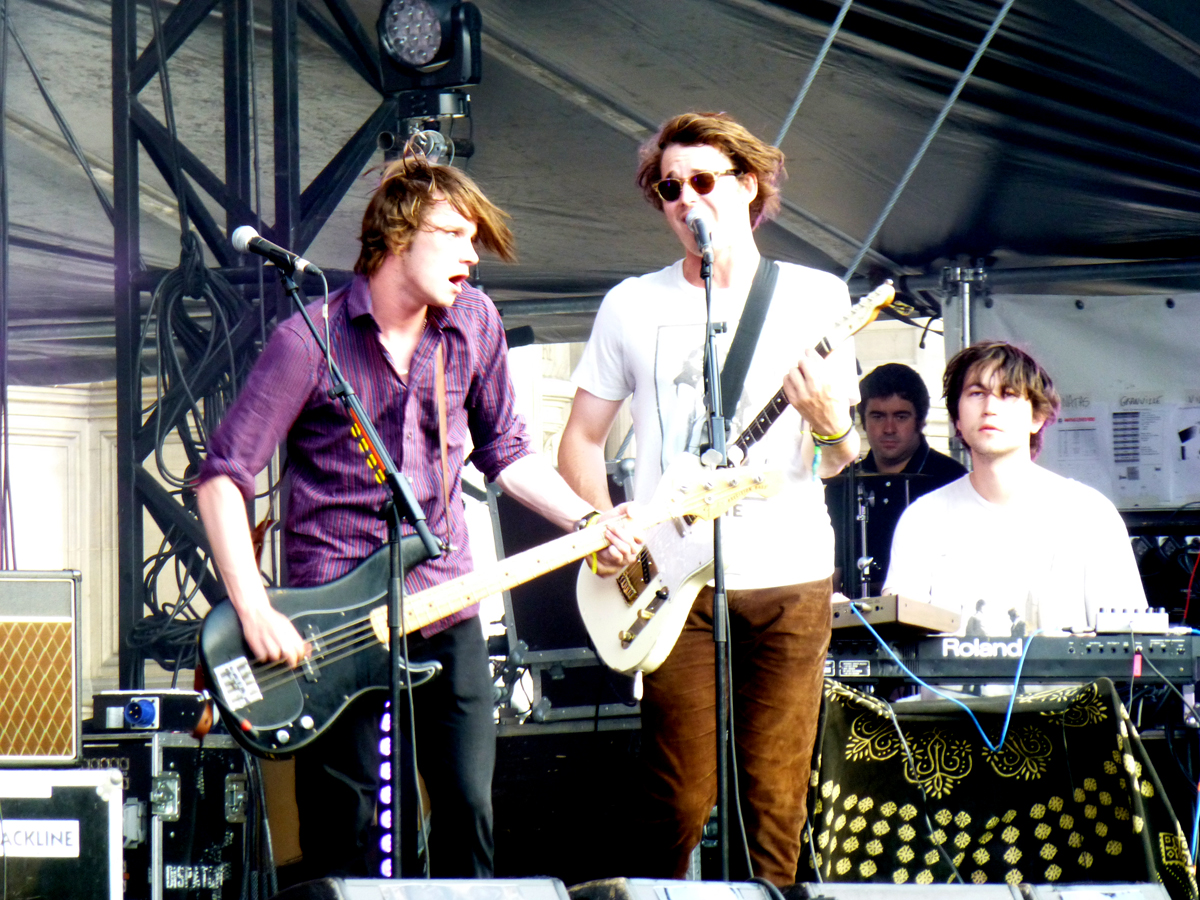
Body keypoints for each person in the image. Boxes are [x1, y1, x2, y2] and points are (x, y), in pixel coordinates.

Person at [195, 155, 639, 880]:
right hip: (332, 621)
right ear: (398, 236)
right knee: (347, 825)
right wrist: (253, 608)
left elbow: (508, 452)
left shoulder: (473, 322)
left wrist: (587, 520)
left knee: (468, 806)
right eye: (455, 235)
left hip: (444, 600)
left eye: (476, 239)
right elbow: (222, 477)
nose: (472, 255)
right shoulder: (309, 340)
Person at [557, 112, 860, 886]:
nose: (685, 198)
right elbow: (580, 442)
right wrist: (602, 523)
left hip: (789, 574)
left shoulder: (816, 296)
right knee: (677, 799)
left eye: (702, 180)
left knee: (774, 801)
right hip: (673, 576)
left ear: (749, 185)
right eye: (669, 188)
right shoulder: (631, 304)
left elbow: (836, 459)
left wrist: (830, 424)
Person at [884, 341, 1146, 634]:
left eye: (1008, 394)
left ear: (1037, 417)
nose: (989, 408)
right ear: (957, 418)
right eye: (977, 393)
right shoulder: (922, 519)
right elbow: (898, 640)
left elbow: (1130, 642)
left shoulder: (1091, 515)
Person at [830, 363, 966, 592]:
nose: (889, 428)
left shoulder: (951, 478)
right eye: (878, 416)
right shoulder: (841, 485)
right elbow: (830, 574)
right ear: (863, 421)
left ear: (920, 421)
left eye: (901, 417)